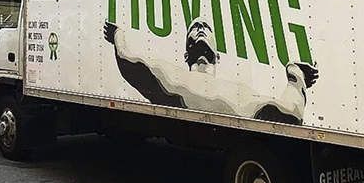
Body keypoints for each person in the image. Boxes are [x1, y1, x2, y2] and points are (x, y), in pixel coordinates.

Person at [103, 18, 319, 125]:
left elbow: (292, 114)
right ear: (186, 54)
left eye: (204, 28)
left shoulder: (241, 91)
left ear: (217, 55)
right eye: (195, 28)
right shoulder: (171, 75)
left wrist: (295, 76)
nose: (200, 30)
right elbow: (128, 63)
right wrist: (118, 35)